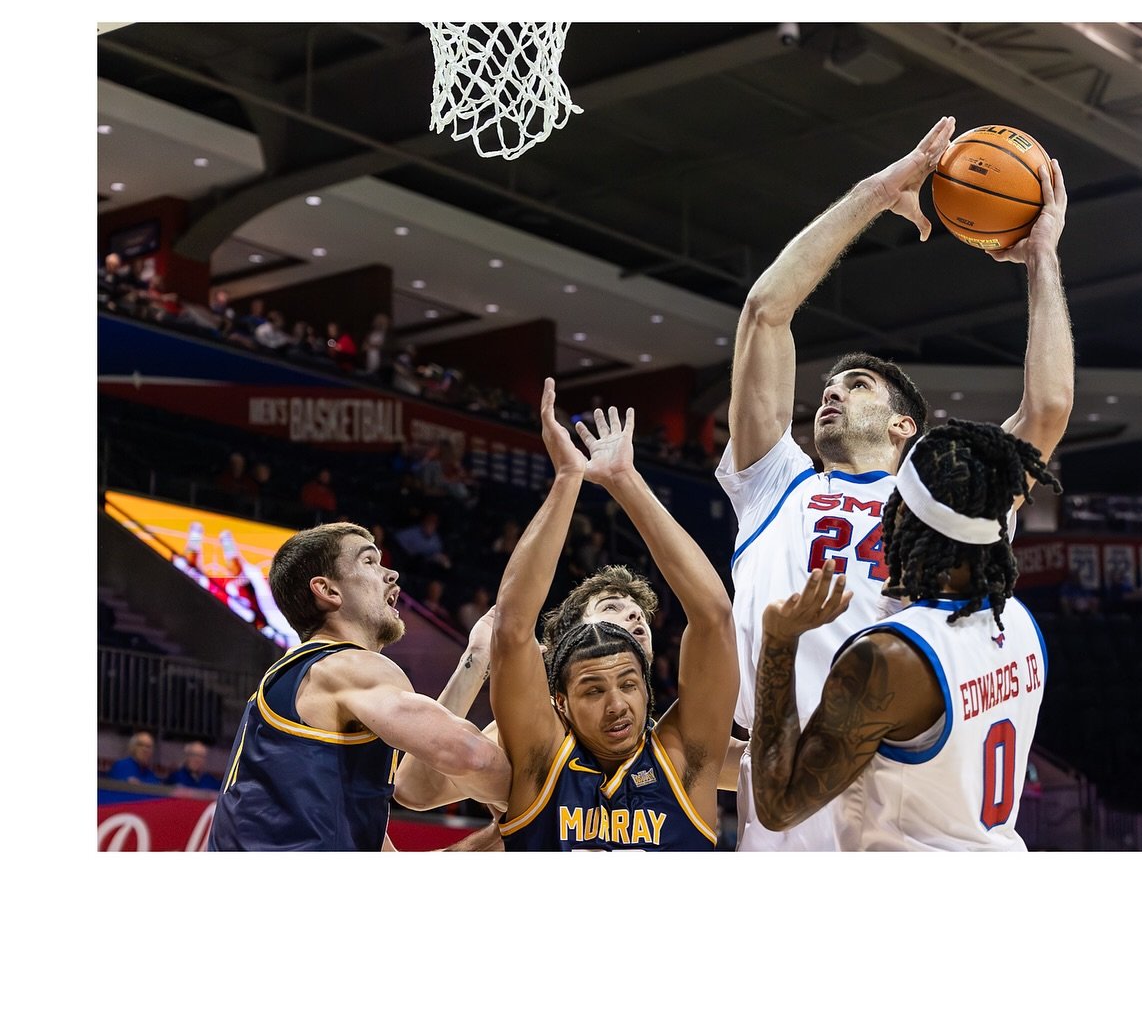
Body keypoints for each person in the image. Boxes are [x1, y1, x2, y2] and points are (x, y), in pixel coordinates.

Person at [717, 115, 1073, 851]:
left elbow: (1045, 411)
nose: (834, 393)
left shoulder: (946, 504)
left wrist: (1042, 258)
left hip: (891, 788)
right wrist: (879, 192)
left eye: (858, 384)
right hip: (781, 786)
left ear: (905, 425)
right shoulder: (774, 483)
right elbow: (765, 313)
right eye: (831, 385)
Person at [395, 380, 738, 850]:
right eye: (611, 611)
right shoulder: (533, 743)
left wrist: (624, 479)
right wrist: (478, 657)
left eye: (638, 617)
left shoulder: (684, 750)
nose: (632, 622)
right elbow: (414, 789)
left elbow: (714, 617)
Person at [749, 419, 1060, 850]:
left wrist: (779, 642)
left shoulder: (889, 656)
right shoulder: (1020, 622)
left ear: (900, 514)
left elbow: (779, 807)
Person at [206, 522, 510, 851]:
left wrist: (476, 660)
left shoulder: (301, 696)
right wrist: (553, 788)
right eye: (369, 561)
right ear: (328, 590)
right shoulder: (346, 666)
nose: (391, 573)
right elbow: (473, 757)